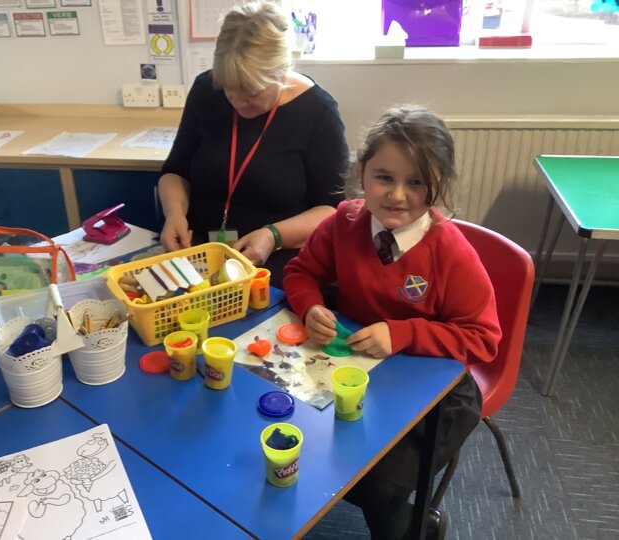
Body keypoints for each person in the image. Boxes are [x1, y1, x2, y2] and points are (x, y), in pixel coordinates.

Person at [283, 105, 502, 540]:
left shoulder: (450, 252)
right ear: (361, 173)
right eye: (384, 177)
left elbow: (483, 339)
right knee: (295, 436)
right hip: (357, 366)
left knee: (379, 486)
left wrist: (401, 333)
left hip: (437, 385)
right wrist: (310, 307)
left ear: (438, 185)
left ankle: (416, 528)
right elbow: (301, 272)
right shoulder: (344, 221)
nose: (397, 196)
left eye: (416, 182)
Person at [158, 1, 349, 287]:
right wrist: (174, 213)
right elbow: (175, 171)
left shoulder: (318, 111)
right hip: (199, 251)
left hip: (276, 261)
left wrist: (273, 236)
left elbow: (332, 209)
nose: (238, 102)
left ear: (282, 73)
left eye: (252, 92)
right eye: (229, 89)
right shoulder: (206, 90)